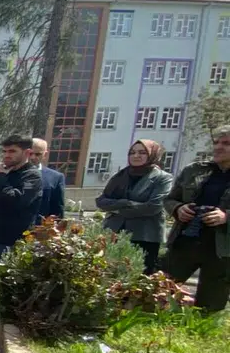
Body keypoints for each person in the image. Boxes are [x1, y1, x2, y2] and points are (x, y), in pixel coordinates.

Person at [0, 134, 42, 322]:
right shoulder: (3, 173)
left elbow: (16, 201)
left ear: (27, 153)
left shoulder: (32, 176)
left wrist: (1, 178)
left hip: (7, 239)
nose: (6, 155)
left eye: (12, 151)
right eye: (4, 151)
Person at [163, 126, 230, 310]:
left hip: (221, 251)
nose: (218, 147)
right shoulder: (195, 170)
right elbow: (169, 199)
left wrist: (226, 216)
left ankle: (199, 335)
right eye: (216, 143)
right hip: (185, 242)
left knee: (209, 306)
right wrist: (179, 208)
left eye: (226, 143)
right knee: (159, 291)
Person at [96, 140, 173, 274]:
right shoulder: (121, 175)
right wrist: (125, 203)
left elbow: (153, 207)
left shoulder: (162, 178)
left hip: (144, 237)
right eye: (132, 152)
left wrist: (116, 208)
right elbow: (101, 201)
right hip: (114, 234)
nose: (136, 156)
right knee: (109, 276)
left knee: (138, 280)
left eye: (142, 152)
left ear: (153, 155)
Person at [30, 138, 65, 220]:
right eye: (30, 153)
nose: (32, 157)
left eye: (37, 154)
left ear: (45, 155)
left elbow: (58, 209)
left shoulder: (55, 177)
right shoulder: (12, 173)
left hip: (40, 229)